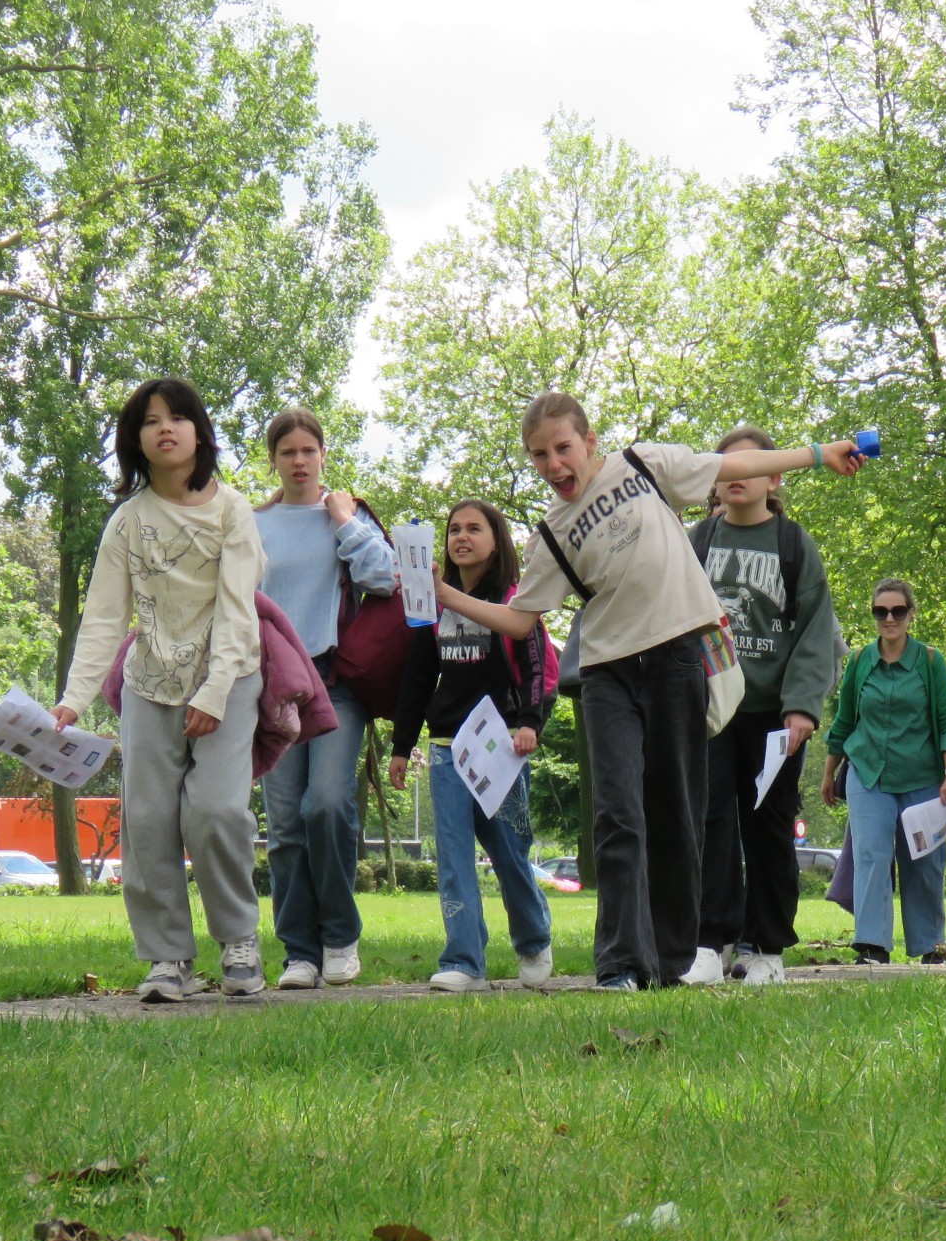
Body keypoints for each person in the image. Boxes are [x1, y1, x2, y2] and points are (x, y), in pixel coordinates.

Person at [434, 391, 867, 991]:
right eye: (539, 456)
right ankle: (619, 963)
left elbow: (729, 468)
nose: (555, 464)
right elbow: (521, 617)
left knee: (677, 816)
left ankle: (668, 961)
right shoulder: (552, 534)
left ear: (589, 442)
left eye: (563, 448)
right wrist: (446, 597)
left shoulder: (642, 466)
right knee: (618, 814)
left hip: (678, 662)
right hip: (609, 674)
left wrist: (818, 454)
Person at [52, 378, 265, 1003]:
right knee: (146, 820)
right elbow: (104, 617)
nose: (164, 429)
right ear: (136, 441)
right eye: (149, 421)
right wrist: (74, 698)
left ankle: (238, 943)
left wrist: (216, 688)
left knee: (217, 812)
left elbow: (237, 611)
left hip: (227, 680)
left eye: (177, 417)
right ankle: (168, 959)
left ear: (200, 432)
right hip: (148, 683)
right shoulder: (127, 521)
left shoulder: (233, 511)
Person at [689, 425, 842, 987]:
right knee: (708, 823)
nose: (738, 476)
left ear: (776, 477)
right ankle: (707, 942)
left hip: (775, 718)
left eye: (752, 466)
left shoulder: (794, 545)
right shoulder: (696, 541)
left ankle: (768, 950)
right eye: (726, 466)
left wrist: (802, 707)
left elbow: (815, 633)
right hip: (710, 711)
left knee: (770, 827)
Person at [254, 407, 398, 990]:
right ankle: (299, 952)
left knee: (328, 805)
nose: (298, 461)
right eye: (287, 452)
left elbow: (386, 579)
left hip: (336, 681)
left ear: (323, 455)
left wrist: (344, 521)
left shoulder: (347, 514)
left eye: (307, 451)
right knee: (286, 822)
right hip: (275, 687)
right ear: (273, 460)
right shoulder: (253, 522)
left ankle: (340, 937)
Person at [388, 500, 556, 992]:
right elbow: (417, 677)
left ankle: (533, 939)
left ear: (495, 538)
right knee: (454, 854)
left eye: (474, 529)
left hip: (503, 748)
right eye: (454, 529)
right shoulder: (429, 604)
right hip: (445, 748)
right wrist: (402, 745)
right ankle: (464, 960)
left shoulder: (513, 598)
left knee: (508, 851)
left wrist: (529, 722)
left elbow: (536, 666)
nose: (462, 537)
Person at [821, 578, 946, 964]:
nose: (889, 618)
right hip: (868, 775)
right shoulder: (859, 660)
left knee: (925, 861)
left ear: (910, 614)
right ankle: (871, 944)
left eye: (897, 611)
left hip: (921, 776)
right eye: (881, 611)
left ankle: (930, 944)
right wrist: (829, 770)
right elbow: (844, 720)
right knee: (871, 853)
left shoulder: (930, 661)